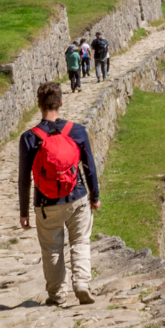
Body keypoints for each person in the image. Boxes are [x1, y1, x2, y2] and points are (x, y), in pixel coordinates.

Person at [18, 82, 101, 305]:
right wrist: (95, 196)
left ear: (39, 105)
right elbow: (89, 166)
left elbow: (25, 178)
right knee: (80, 241)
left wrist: (24, 211)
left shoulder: (29, 138)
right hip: (77, 197)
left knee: (52, 249)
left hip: (46, 203)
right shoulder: (76, 130)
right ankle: (82, 284)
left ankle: (56, 295)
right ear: (61, 103)